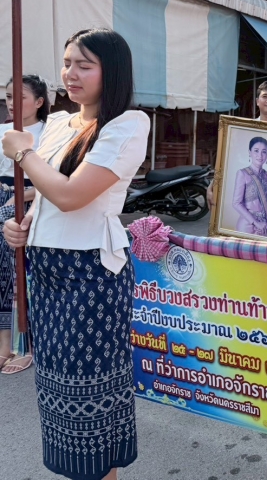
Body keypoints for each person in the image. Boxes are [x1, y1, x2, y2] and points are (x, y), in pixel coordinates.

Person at [3, 28, 150, 480]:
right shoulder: (59, 124)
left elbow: (71, 195)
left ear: (112, 71)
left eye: (84, 65)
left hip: (90, 275)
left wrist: (23, 155)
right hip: (46, 272)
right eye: (67, 63)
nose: (71, 73)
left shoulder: (128, 123)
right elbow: (47, 196)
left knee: (89, 395)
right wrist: (22, 225)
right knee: (57, 393)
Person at [0, 75, 49, 374]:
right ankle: (4, 343)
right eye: (8, 97)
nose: (12, 103)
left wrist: (18, 198)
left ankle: (25, 344)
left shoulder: (49, 132)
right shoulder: (2, 131)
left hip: (30, 201)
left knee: (20, 270)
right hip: (3, 199)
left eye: (19, 97)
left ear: (39, 101)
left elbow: (52, 179)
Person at [207, 80, 267, 219]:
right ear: (257, 101)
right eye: (265, 96)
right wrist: (213, 185)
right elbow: (229, 162)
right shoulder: (242, 130)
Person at [232, 137, 267, 236]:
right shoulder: (243, 173)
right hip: (246, 226)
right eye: (256, 151)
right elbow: (236, 203)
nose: (260, 155)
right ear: (250, 152)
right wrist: (256, 223)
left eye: (264, 152)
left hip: (263, 229)